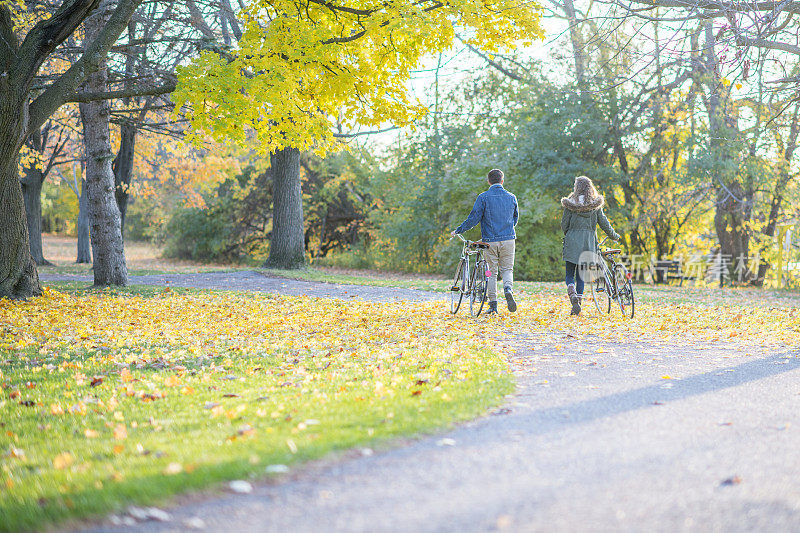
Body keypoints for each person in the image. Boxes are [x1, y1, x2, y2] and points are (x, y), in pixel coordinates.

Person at [451, 169, 519, 315]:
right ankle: (508, 289)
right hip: (509, 239)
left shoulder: (483, 197)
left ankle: (493, 305)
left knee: (491, 273)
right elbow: (515, 219)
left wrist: (459, 230)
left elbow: (473, 218)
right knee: (507, 269)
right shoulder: (512, 197)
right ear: (502, 180)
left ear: (489, 181)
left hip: (490, 242)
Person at [561, 175, 620, 316]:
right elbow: (604, 224)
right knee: (581, 275)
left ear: (576, 188)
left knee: (569, 274)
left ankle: (572, 292)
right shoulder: (595, 205)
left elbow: (564, 225)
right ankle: (578, 304)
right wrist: (614, 236)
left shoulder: (570, 204)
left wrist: (570, 232)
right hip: (588, 243)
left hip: (572, 241)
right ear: (589, 188)